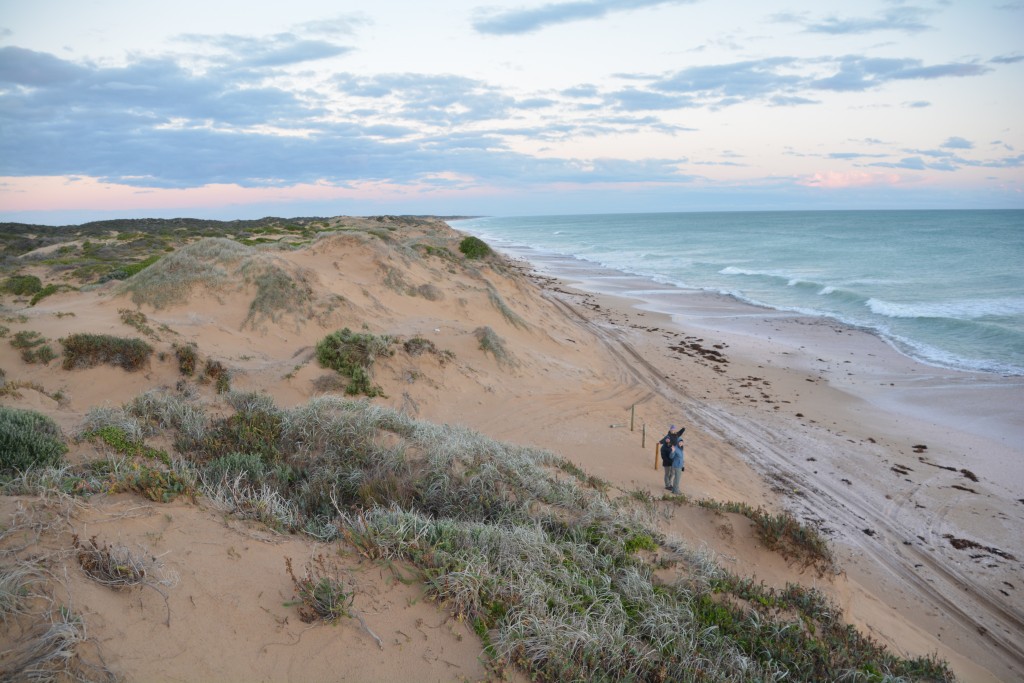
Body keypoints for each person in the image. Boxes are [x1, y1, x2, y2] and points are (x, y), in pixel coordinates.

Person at [659, 424, 685, 490]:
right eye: (672, 429)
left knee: (672, 473)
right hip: (667, 462)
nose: (673, 430)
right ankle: (667, 485)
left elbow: (679, 433)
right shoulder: (667, 438)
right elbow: (664, 456)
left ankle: (669, 484)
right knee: (667, 474)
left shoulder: (676, 436)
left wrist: (683, 429)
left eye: (673, 429)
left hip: (672, 461)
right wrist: (660, 442)